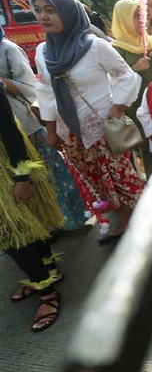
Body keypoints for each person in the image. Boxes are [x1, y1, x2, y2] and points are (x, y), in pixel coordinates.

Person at [32, 0, 144, 246]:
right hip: (70, 133)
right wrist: (50, 129)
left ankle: (140, 223)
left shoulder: (95, 47)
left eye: (51, 10)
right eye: (38, 11)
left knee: (120, 178)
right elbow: (45, 90)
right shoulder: (42, 52)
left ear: (69, 13)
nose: (43, 16)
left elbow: (124, 75)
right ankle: (123, 219)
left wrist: (116, 110)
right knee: (97, 180)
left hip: (103, 129)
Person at [1, 24, 85, 231]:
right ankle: (49, 225)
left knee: (52, 175)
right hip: (6, 131)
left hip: (25, 124)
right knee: (31, 182)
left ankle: (72, 221)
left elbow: (31, 88)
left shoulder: (8, 49)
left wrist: (2, 83)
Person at [1, 84, 65, 332]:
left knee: (13, 234)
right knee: (25, 227)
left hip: (8, 167)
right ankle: (48, 271)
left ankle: (47, 293)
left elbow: (9, 132)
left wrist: (22, 178)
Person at [110, 0, 152, 176]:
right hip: (135, 109)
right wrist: (133, 69)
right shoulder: (115, 50)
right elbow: (111, 81)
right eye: (135, 16)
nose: (141, 21)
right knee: (146, 148)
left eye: (142, 16)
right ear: (123, 19)